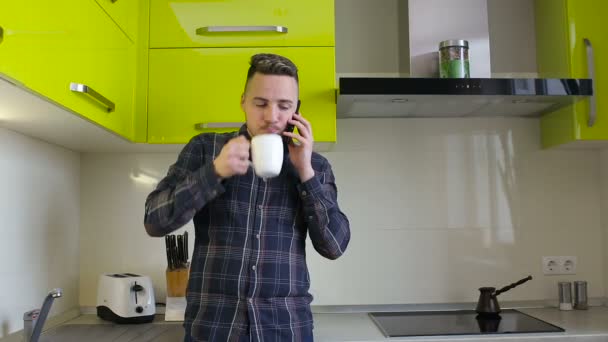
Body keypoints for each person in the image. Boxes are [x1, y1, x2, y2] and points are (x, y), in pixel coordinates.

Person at [144, 53, 350, 342]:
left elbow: (335, 245)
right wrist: (213, 172)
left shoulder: (314, 166)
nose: (271, 116)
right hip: (212, 330)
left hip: (286, 331)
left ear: (297, 110)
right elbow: (154, 221)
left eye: (284, 106)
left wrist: (305, 171)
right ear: (243, 101)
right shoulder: (205, 149)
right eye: (260, 103)